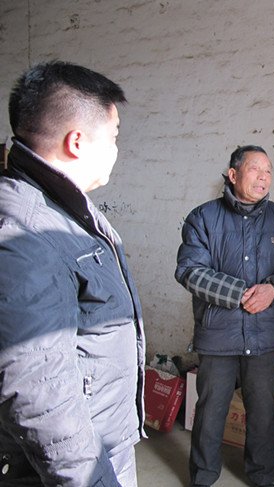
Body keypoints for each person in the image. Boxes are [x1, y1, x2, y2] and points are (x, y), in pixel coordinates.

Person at [0, 61, 146, 486]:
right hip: (82, 464)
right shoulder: (28, 231)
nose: (117, 149)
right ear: (77, 142)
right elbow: (41, 394)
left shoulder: (63, 209)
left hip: (105, 442)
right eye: (114, 136)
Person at [175, 145, 274, 487]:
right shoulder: (202, 218)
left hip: (264, 333)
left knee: (263, 410)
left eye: (268, 171)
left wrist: (273, 289)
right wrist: (240, 294)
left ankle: (263, 477)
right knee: (211, 409)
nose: (263, 177)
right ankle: (203, 477)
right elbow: (190, 271)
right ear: (233, 174)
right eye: (255, 169)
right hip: (218, 334)